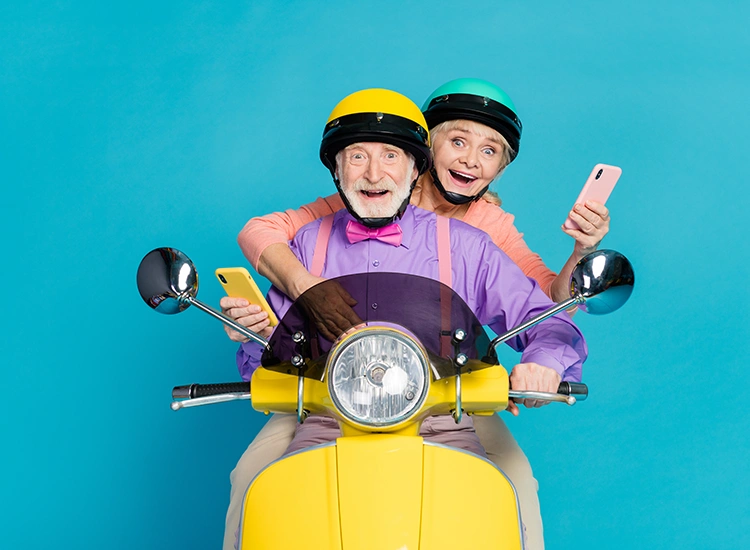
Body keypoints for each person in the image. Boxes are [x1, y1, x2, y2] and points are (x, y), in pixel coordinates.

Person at [221, 88, 589, 550]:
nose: (374, 173)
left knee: (516, 488)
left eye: (391, 156)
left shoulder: (468, 244)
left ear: (416, 169)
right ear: (336, 170)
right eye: (356, 156)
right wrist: (254, 335)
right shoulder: (308, 242)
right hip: (324, 413)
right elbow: (266, 361)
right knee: (250, 484)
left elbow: (546, 315)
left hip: (446, 412)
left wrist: (546, 363)